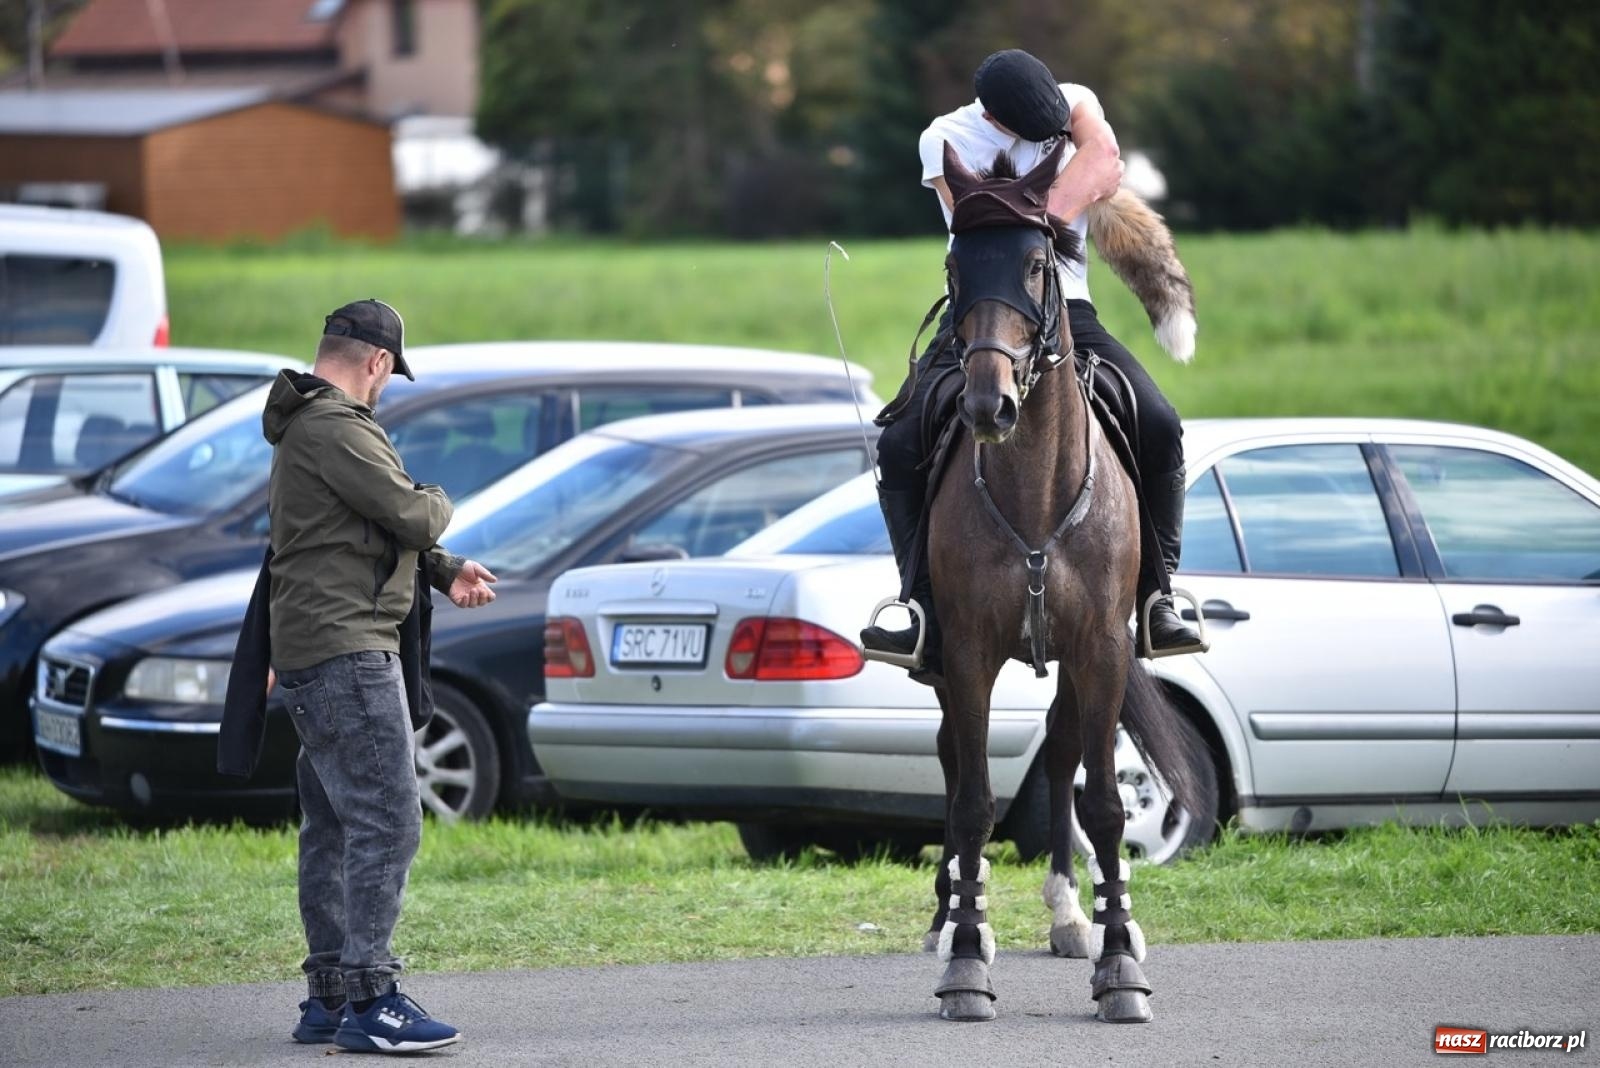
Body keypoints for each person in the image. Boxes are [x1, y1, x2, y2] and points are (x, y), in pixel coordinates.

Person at [860, 48, 1204, 683]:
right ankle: (919, 605)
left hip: (1066, 307)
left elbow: (1105, 161)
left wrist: (1034, 228)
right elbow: (973, 215)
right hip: (983, 306)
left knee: (1160, 423)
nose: (1053, 139)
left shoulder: (1073, 100)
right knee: (900, 439)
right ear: (993, 117)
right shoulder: (943, 136)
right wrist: (1045, 218)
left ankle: (1158, 596)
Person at [262, 299, 497, 1053]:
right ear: (378, 362)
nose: (386, 388)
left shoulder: (308, 426)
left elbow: (363, 532)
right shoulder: (337, 426)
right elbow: (414, 516)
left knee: (332, 825)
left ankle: (328, 997)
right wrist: (440, 502)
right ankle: (372, 997)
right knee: (390, 820)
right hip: (347, 651)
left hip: (316, 647)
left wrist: (447, 573)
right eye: (389, 376)